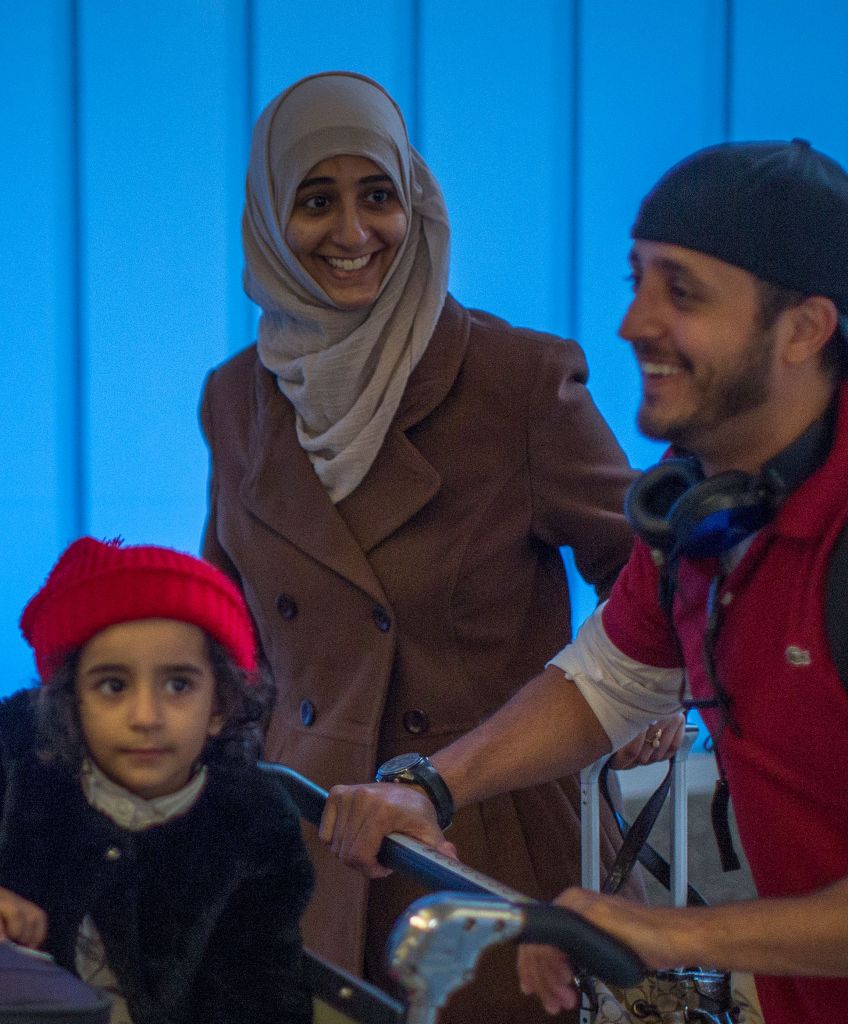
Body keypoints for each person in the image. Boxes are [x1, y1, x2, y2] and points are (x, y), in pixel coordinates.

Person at [319, 138, 848, 1024]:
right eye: (635, 280)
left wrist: (671, 935)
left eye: (681, 291)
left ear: (804, 329)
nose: (633, 322)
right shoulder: (702, 506)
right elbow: (611, 680)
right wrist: (431, 787)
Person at [199, 70, 671, 1023]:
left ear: (416, 201)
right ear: (267, 217)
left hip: (478, 837)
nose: (352, 232)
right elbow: (225, 624)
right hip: (305, 834)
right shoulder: (235, 397)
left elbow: (649, 573)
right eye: (315, 201)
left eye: (379, 195)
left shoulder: (517, 380)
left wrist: (651, 696)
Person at [1, 536, 314, 1024]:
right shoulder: (17, 762)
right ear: (71, 702)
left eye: (178, 685)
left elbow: (261, 1000)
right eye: (113, 686)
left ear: (221, 705)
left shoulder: (253, 826)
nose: (146, 717)